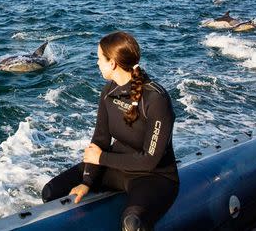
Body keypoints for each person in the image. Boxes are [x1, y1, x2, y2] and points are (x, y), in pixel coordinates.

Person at [41, 31, 179, 231]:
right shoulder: (109, 92)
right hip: (117, 168)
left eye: (99, 58)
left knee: (132, 224)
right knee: (51, 191)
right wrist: (88, 181)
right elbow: (101, 139)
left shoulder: (156, 99)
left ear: (112, 63)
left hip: (153, 177)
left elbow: (149, 160)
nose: (97, 63)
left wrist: (101, 159)